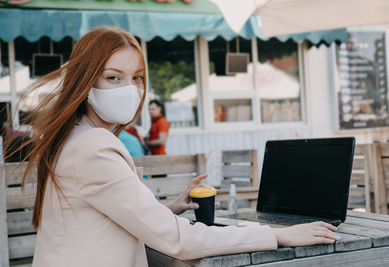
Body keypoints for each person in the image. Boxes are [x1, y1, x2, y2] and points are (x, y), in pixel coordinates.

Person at [9, 27, 339, 267]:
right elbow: (179, 241)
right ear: (85, 82)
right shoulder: (94, 147)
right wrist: (278, 235)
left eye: (137, 77)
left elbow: (100, 219)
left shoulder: (74, 138)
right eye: (113, 77)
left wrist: (165, 211)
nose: (130, 88)